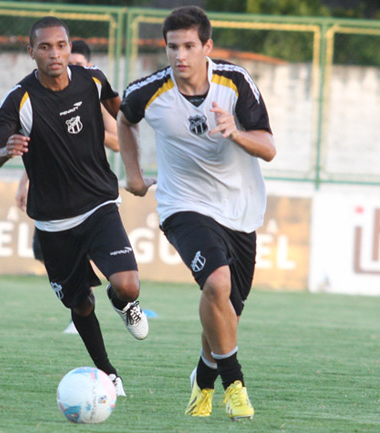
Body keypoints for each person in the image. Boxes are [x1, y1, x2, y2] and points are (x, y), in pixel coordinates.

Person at [117, 6, 275, 420]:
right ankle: (234, 384)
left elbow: (269, 148)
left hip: (240, 210)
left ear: (207, 46)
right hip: (182, 206)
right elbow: (124, 119)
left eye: (189, 46)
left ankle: (203, 381)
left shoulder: (235, 82)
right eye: (173, 47)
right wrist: (133, 175)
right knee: (217, 284)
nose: (180, 55)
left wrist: (235, 133)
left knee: (227, 312)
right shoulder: (148, 91)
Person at [0, 16, 150, 397]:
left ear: (70, 48)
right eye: (45, 47)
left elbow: (124, 112)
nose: (54, 54)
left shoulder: (92, 79)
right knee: (80, 303)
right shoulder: (20, 99)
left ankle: (123, 303)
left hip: (99, 203)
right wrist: (5, 153)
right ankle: (107, 372)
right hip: (54, 222)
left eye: (61, 45)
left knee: (127, 284)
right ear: (31, 52)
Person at [14, 39, 122, 335]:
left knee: (94, 249)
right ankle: (81, 302)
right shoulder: (40, 98)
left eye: (75, 62)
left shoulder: (93, 96)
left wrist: (86, 128)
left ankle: (96, 301)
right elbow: (38, 147)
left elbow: (118, 139)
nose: (66, 65)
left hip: (90, 192)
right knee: (44, 252)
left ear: (85, 65)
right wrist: (26, 181)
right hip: (54, 195)